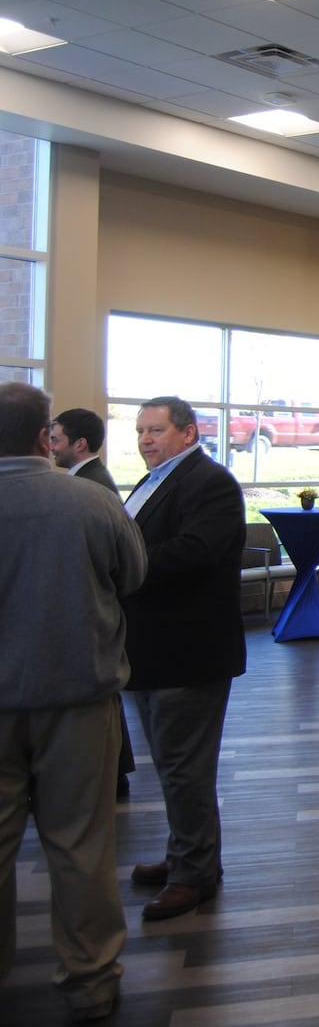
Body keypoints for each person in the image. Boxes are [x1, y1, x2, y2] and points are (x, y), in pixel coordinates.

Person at [0, 383, 146, 1023]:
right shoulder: (92, 502)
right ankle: (90, 980)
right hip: (79, 699)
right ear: (44, 438)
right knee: (82, 844)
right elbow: (133, 577)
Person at [121, 395, 247, 922]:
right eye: (141, 431)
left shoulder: (208, 481)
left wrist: (117, 568)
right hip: (152, 650)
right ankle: (187, 854)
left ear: (189, 433)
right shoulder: (154, 480)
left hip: (188, 651)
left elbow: (194, 552)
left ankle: (194, 874)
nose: (146, 440)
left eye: (156, 430)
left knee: (183, 770)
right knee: (172, 767)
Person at [50, 407, 138, 798]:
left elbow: (118, 559)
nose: (51, 446)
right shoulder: (86, 481)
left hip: (93, 610)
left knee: (103, 699)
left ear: (79, 443)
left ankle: (113, 772)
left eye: (56, 439)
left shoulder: (94, 487)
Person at [49, 407, 119, 494]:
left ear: (80, 444)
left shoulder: (87, 486)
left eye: (55, 441)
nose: (50, 447)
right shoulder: (94, 477)